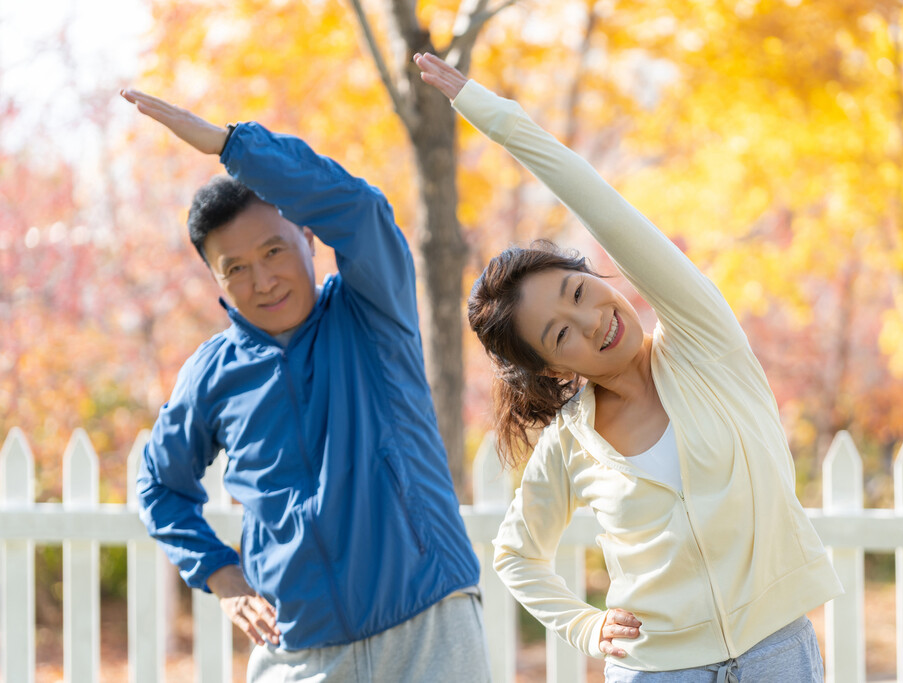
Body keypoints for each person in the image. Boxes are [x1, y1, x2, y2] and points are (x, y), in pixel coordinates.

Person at [414, 52, 843, 683]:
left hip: (775, 653)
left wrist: (491, 114)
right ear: (551, 367)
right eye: (562, 333)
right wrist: (584, 625)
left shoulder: (703, 342)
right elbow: (516, 555)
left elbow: (602, 206)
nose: (592, 322)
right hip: (656, 671)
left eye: (579, 292)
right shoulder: (569, 442)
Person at [121, 88, 490, 683]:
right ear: (216, 279)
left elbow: (360, 210)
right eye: (235, 268)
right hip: (299, 653)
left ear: (308, 239)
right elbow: (158, 486)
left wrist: (230, 146)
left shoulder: (373, 311)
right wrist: (220, 575)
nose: (263, 280)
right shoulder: (211, 375)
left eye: (274, 250)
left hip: (429, 627)